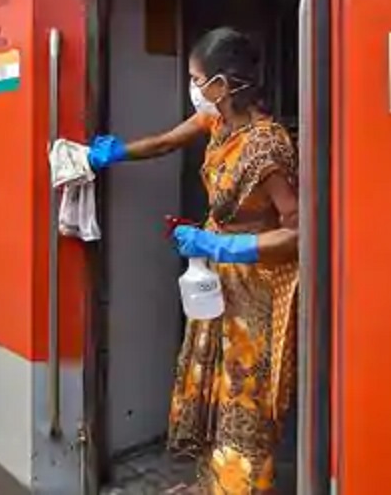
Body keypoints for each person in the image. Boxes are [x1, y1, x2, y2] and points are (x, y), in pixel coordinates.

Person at [89, 27, 299, 494]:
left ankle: (240, 488)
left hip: (253, 286)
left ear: (221, 86)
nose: (192, 87)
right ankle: (210, 484)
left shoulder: (267, 146)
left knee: (244, 397)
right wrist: (118, 152)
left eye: (195, 78)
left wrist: (229, 247)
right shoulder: (216, 124)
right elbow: (165, 141)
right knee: (213, 386)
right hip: (216, 282)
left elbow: (298, 231)